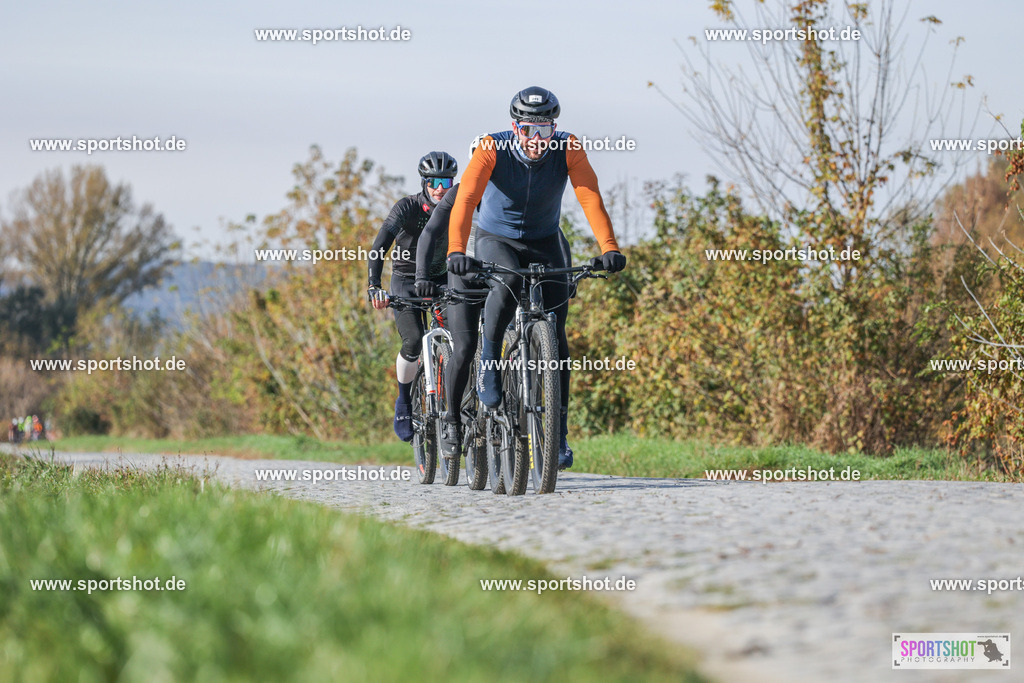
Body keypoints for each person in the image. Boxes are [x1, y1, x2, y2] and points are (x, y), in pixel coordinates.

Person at [446, 86, 627, 470]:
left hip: (546, 239)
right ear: (515, 127)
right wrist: (457, 251)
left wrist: (608, 246)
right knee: (508, 284)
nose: (536, 141)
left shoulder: (568, 148)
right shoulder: (492, 148)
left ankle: (558, 436)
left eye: (545, 131)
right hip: (498, 238)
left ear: (554, 129)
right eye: (528, 130)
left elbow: (589, 196)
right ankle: (490, 361)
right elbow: (464, 201)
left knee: (558, 335)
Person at [415, 135, 574, 460]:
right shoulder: (459, 195)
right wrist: (421, 277)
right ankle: (452, 420)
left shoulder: (512, 197)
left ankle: (540, 414)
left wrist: (566, 275)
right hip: (467, 278)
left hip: (504, 277)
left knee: (547, 329)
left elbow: (557, 236)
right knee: (466, 346)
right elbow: (430, 233)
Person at [367, 151, 458, 441]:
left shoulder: (458, 205)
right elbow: (380, 245)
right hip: (406, 280)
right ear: (424, 183)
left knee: (461, 339)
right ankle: (405, 401)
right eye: (433, 182)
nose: (440, 188)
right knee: (413, 339)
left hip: (442, 279)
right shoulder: (406, 207)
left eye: (446, 181)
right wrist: (374, 286)